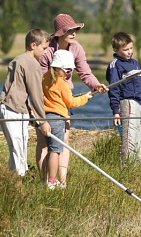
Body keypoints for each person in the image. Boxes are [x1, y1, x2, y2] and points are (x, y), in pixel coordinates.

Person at [36, 13, 108, 185]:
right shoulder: (47, 49)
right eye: (70, 30)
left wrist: (96, 85)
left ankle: (62, 181)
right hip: (44, 103)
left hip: (65, 101)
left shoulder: (77, 48)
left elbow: (85, 72)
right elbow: (40, 78)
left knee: (64, 141)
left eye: (76, 29)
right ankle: (43, 179)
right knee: (44, 143)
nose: (74, 33)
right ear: (59, 33)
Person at [0, 29, 51, 179]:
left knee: (15, 148)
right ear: (33, 45)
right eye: (44, 48)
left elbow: (18, 88)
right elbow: (36, 95)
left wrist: (31, 113)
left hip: (4, 106)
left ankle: (10, 182)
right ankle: (16, 187)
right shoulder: (33, 64)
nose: (46, 52)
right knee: (19, 150)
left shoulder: (18, 59)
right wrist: (43, 121)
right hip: (14, 110)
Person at [106, 32, 141, 163]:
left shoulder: (134, 63)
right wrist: (115, 112)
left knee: (140, 138)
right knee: (129, 138)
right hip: (127, 103)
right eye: (125, 50)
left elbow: (139, 84)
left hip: (139, 103)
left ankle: (138, 167)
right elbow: (114, 89)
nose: (129, 52)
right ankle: (127, 166)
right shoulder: (115, 65)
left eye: (131, 48)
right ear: (115, 50)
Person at [42, 50, 93, 189]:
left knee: (49, 149)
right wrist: (85, 98)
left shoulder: (45, 79)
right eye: (69, 70)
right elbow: (71, 103)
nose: (69, 74)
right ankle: (52, 180)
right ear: (61, 69)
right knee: (55, 151)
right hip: (58, 120)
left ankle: (44, 178)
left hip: (45, 119)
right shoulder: (62, 84)